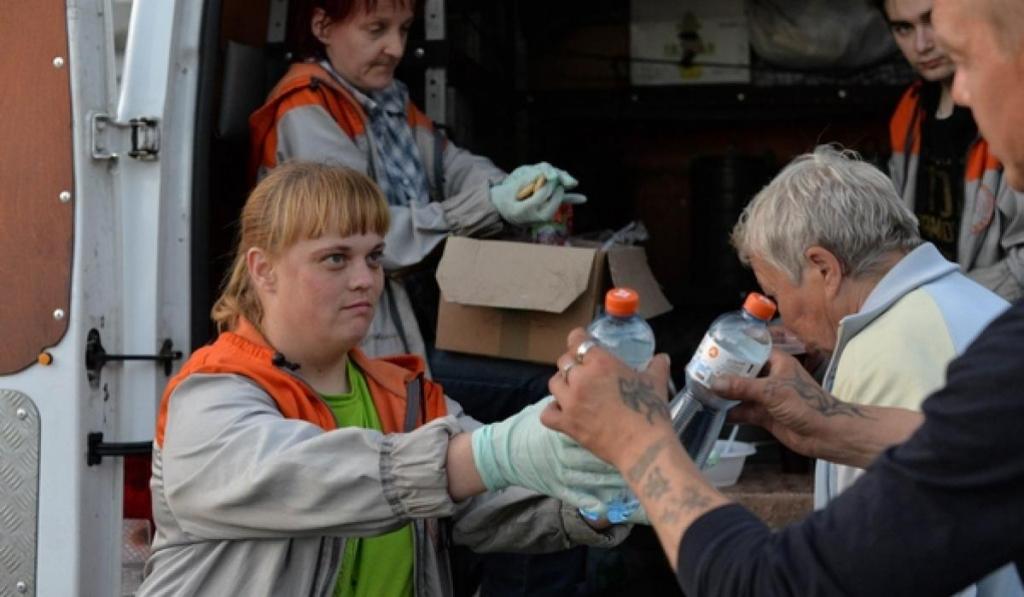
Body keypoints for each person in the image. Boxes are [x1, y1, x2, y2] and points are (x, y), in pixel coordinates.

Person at [542, 0, 1024, 591]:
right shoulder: (978, 318)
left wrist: (641, 443)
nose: (964, 96)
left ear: (822, 267)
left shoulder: (892, 353)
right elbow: (961, 458)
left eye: (966, 60)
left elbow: (792, 584)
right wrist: (821, 422)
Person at [136, 162, 629, 596]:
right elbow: (310, 479)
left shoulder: (403, 395)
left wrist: (607, 495)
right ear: (263, 270)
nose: (365, 279)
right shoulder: (210, 396)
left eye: (373, 257)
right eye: (336, 258)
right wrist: (490, 452)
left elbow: (491, 501)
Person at [248, 0, 584, 369]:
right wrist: (488, 205)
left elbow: (449, 165)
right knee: (546, 381)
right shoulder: (306, 110)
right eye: (376, 29)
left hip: (412, 320)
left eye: (404, 29)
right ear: (323, 27)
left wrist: (516, 187)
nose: (396, 48)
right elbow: (365, 236)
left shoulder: (386, 99)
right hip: (364, 348)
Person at [874, 0, 1024, 301]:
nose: (922, 44)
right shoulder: (909, 111)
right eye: (904, 28)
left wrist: (942, 304)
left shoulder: (1007, 110)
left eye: (931, 20)